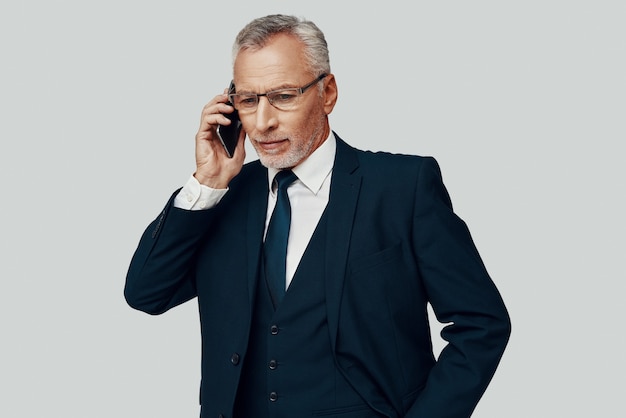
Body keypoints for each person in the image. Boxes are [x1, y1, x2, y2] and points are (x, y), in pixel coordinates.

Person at [124, 13, 511, 418]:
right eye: (248, 100)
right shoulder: (222, 197)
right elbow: (147, 293)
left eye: (284, 96)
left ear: (327, 92)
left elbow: (481, 325)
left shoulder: (403, 188)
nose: (262, 122)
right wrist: (207, 181)